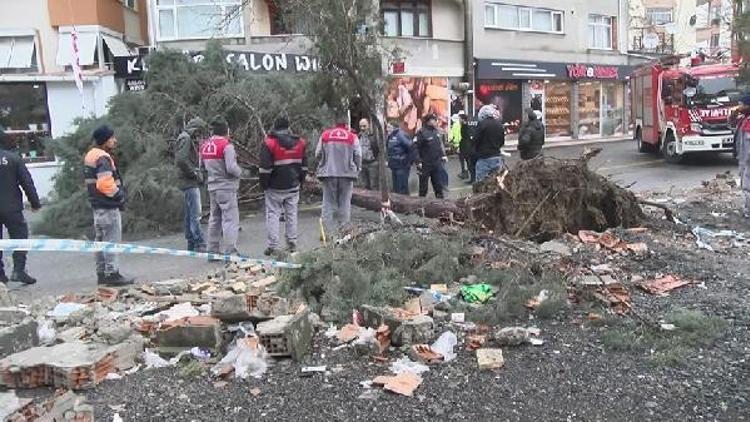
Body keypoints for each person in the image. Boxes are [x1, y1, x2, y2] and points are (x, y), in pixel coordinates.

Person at [84, 125, 133, 286]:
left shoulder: (91, 155)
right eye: (112, 138)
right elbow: (105, 184)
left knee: (100, 242)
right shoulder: (103, 158)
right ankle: (112, 273)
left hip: (97, 207)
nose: (115, 140)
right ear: (105, 140)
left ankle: (102, 273)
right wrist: (120, 197)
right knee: (111, 240)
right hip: (108, 206)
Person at [259, 117, 307, 256]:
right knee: (291, 214)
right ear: (288, 127)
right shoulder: (300, 143)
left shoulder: (269, 143)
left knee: (273, 214)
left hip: (274, 187)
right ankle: (292, 242)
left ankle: (273, 246)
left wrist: (264, 185)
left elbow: (264, 169)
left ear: (275, 127)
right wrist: (301, 181)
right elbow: (304, 167)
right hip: (293, 185)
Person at [0, 129, 41, 285]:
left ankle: (0, 275)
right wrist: (35, 203)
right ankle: (19, 270)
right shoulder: (14, 159)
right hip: (12, 208)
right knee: (20, 238)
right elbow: (27, 183)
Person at [200, 117, 242, 257]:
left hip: (212, 187)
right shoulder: (226, 146)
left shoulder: (204, 145)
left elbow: (201, 167)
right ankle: (231, 252)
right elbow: (231, 168)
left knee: (214, 218)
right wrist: (240, 172)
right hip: (227, 187)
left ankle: (212, 250)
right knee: (230, 219)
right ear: (226, 130)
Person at [316, 117, 361, 236]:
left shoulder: (325, 135)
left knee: (328, 203)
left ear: (334, 124)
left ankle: (327, 234)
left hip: (329, 173)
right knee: (345, 203)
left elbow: (318, 153)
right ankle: (344, 232)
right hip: (347, 174)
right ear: (346, 124)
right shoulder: (352, 136)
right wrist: (357, 168)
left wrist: (323, 162)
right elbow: (358, 155)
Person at [175, 118, 208, 252]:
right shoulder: (186, 138)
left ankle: (191, 243)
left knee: (189, 214)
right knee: (196, 214)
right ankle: (199, 242)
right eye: (200, 132)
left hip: (186, 181)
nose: (200, 136)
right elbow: (181, 160)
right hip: (189, 181)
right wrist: (194, 173)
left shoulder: (184, 137)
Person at [415, 114, 448, 199]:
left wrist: (443, 155)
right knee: (423, 188)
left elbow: (439, 145)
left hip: (436, 164)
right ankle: (421, 206)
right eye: (434, 120)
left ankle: (441, 205)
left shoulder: (436, 132)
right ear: (429, 121)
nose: (436, 122)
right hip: (425, 164)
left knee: (438, 186)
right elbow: (415, 148)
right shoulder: (421, 132)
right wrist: (418, 161)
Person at [474, 105, 505, 182]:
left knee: (481, 184)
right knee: (497, 182)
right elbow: (502, 141)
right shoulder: (499, 124)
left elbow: (476, 140)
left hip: (484, 158)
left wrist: (476, 151)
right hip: (497, 157)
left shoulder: (481, 124)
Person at [387, 121, 415, 195]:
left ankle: (405, 204)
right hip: (394, 166)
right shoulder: (391, 136)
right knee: (396, 188)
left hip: (402, 165)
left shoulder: (400, 135)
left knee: (402, 188)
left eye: (389, 127)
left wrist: (408, 162)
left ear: (394, 127)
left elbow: (411, 147)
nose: (387, 129)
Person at [735, 94, 750, 217]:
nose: (739, 106)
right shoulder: (744, 119)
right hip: (744, 160)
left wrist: (744, 163)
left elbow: (747, 145)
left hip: (748, 161)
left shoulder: (748, 121)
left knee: (747, 187)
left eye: (741, 104)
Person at [357, 118, 380, 191]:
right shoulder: (358, 137)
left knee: (374, 186)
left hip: (372, 164)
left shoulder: (373, 136)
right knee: (364, 186)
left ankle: (375, 201)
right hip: (362, 164)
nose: (362, 128)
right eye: (361, 126)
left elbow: (378, 148)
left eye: (364, 126)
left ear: (368, 126)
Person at [461, 112, 478, 184]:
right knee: (470, 165)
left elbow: (467, 138)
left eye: (460, 119)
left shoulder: (466, 127)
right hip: (467, 148)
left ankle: (474, 179)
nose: (459, 120)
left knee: (471, 165)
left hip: (469, 149)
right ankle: (473, 179)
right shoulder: (466, 126)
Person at [451, 112, 468, 179]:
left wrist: (451, 140)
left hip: (459, 144)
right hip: (462, 144)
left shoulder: (456, 125)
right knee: (466, 160)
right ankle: (466, 172)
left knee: (462, 160)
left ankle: (464, 172)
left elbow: (452, 134)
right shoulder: (465, 125)